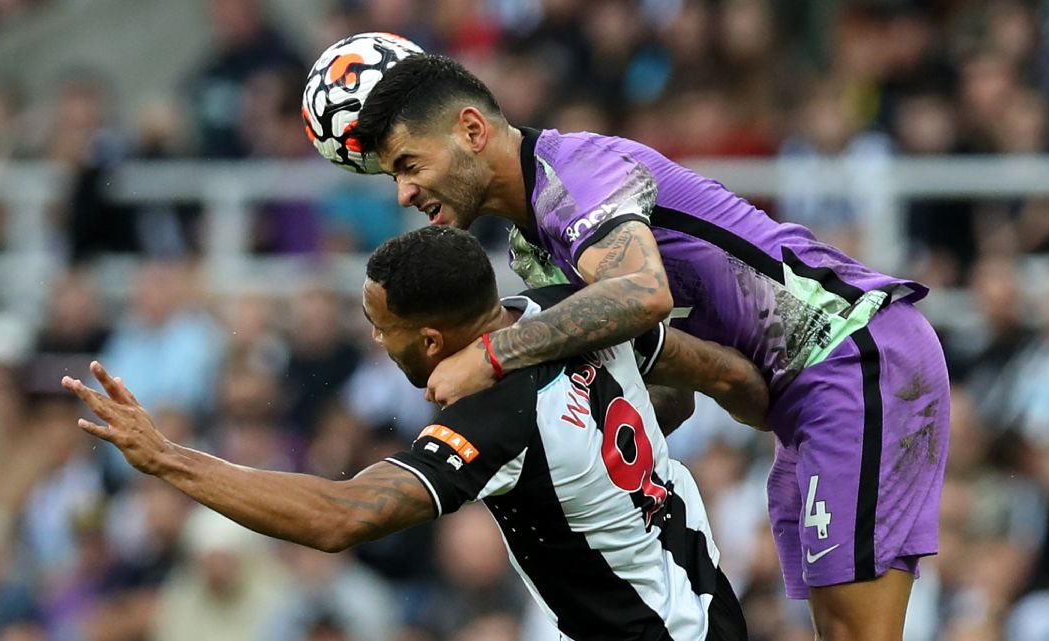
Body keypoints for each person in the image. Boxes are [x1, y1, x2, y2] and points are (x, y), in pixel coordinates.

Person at [337, 51, 950, 641]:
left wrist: (494, 355)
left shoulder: (577, 174)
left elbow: (643, 292)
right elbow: (664, 388)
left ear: (471, 130)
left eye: (410, 165)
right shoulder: (533, 246)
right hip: (804, 397)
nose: (404, 194)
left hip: (850, 354)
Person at [62, 226, 768, 640]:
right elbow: (676, 396)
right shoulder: (569, 310)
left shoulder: (492, 420)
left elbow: (340, 517)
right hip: (707, 609)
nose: (374, 337)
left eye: (383, 327)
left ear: (430, 339)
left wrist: (167, 458)